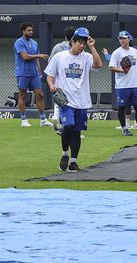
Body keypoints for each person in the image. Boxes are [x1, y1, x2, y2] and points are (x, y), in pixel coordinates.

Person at [45, 27, 102, 172]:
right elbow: (50, 75)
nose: (82, 45)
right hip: (66, 101)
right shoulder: (60, 57)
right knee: (69, 126)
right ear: (73, 42)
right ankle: (64, 154)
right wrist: (51, 85)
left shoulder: (87, 57)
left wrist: (92, 46)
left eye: (84, 42)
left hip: (82, 101)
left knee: (77, 132)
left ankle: (73, 161)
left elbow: (98, 65)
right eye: (79, 42)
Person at [109, 30, 137, 136]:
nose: (122, 40)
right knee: (122, 107)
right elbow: (111, 67)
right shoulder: (117, 53)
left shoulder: (135, 52)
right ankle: (124, 129)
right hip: (122, 85)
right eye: (120, 38)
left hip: (134, 85)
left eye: (124, 38)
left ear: (129, 39)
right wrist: (122, 70)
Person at [14, 22, 50, 127]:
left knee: (40, 94)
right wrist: (39, 55)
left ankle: (43, 120)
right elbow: (25, 57)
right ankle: (24, 120)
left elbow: (36, 60)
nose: (31, 32)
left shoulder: (34, 43)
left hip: (34, 74)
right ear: (23, 31)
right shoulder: (19, 42)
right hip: (22, 73)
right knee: (23, 95)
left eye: (32, 30)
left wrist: (39, 72)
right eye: (28, 30)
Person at [48, 26, 75, 133]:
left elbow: (50, 61)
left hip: (58, 76)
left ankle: (55, 116)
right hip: (70, 77)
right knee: (69, 102)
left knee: (59, 98)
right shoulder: (75, 47)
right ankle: (64, 124)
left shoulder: (58, 47)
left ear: (65, 36)